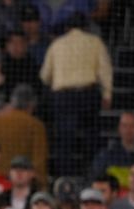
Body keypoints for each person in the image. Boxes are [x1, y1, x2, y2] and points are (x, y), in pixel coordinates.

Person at [40, 13, 112, 176]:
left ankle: (64, 177)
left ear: (66, 28)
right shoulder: (95, 42)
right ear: (86, 27)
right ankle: (92, 174)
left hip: (63, 97)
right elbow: (105, 70)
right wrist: (107, 94)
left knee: (64, 140)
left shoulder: (56, 44)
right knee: (91, 138)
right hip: (88, 94)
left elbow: (45, 75)